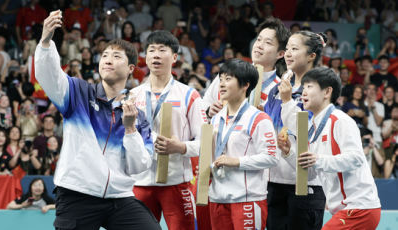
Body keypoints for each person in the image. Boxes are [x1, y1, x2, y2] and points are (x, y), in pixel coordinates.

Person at [35, 10, 160, 230]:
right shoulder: (78, 93)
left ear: (131, 68)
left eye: (116, 56)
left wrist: (130, 130)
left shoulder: (137, 116)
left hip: (118, 198)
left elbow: (138, 166)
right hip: (77, 194)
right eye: (105, 55)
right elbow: (49, 76)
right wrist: (46, 42)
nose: (108, 60)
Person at [130, 30, 208, 230]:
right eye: (151, 50)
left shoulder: (189, 95)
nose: (156, 55)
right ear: (145, 57)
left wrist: (180, 147)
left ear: (174, 57)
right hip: (140, 182)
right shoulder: (132, 95)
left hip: (176, 182)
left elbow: (206, 143)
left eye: (162, 50)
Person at [291, 67, 381, 229]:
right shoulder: (313, 129)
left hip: (359, 208)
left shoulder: (340, 120)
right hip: (345, 211)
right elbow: (310, 173)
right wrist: (287, 153)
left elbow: (356, 158)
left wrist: (318, 159)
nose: (303, 92)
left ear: (327, 92)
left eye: (309, 87)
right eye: (303, 87)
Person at [265, 31, 327, 230]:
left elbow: (307, 133)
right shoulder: (278, 89)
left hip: (304, 184)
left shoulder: (320, 90)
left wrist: (287, 101)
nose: (288, 53)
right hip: (274, 182)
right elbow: (269, 130)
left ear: (311, 56)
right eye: (287, 48)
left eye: (295, 48)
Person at [209, 59, 278, 230]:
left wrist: (237, 161)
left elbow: (271, 157)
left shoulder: (259, 118)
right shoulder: (216, 118)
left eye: (228, 79)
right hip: (217, 198)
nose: (222, 84)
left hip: (247, 199)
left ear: (245, 85)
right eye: (221, 79)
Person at [204, 17, 291, 117]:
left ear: (280, 54)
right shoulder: (229, 73)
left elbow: (282, 128)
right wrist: (209, 112)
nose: (259, 45)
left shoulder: (280, 90)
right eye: (258, 39)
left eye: (268, 42)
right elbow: (203, 105)